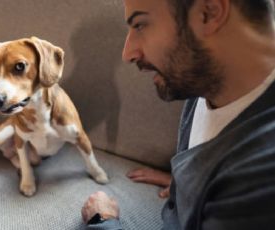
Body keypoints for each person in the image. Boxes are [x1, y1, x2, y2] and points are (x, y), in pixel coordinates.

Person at [81, 0, 275, 229]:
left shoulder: (260, 179)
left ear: (209, 12)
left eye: (140, 24)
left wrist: (103, 222)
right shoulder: (206, 77)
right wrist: (189, 183)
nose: (128, 53)